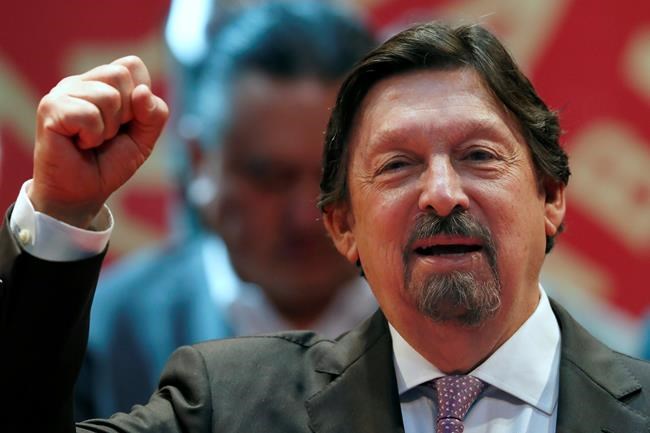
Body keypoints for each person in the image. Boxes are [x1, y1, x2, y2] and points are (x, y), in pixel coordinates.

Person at [2, 21, 650, 433]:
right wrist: (62, 212)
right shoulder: (228, 404)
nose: (442, 193)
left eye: (479, 155)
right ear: (342, 223)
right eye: (397, 165)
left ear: (552, 195)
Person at [74, 1, 379, 420]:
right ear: (200, 162)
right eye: (268, 176)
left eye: (335, 176)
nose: (306, 216)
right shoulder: (108, 335)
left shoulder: (444, 322)